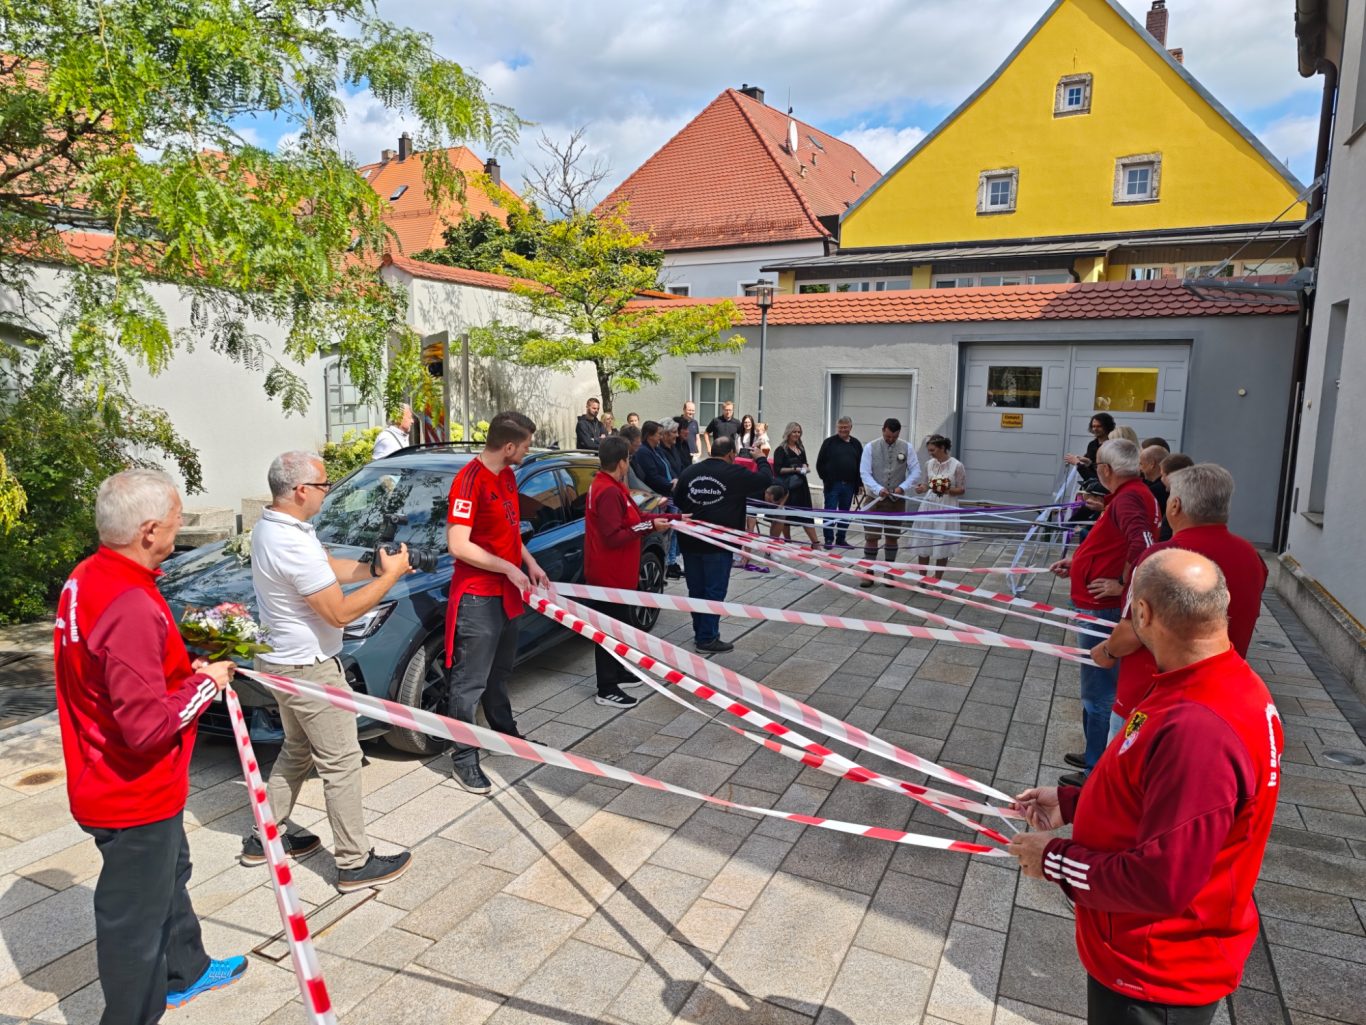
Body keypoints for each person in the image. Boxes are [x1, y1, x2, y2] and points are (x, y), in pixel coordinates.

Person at [1010, 549, 1283, 1025]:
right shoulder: (1206, 682)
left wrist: (1053, 859)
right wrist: (1076, 802)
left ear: (1142, 612)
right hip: (1143, 954)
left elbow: (1162, 881)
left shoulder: (1200, 727)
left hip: (1154, 974)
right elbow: (1159, 792)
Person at [54, 469, 246, 1021]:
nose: (180, 527)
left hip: (117, 777)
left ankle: (187, 969)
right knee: (133, 928)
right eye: (177, 519)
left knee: (171, 873)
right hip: (130, 790)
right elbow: (145, 728)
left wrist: (181, 664)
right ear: (148, 530)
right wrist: (206, 683)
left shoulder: (87, 577)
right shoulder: (128, 602)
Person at [250, 451, 415, 890]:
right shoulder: (288, 541)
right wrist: (390, 578)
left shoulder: (274, 526)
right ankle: (354, 863)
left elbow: (325, 568)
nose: (328, 490)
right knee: (341, 762)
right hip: (308, 669)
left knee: (297, 748)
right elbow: (338, 613)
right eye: (323, 484)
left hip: (281, 660)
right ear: (301, 490)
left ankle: (265, 835)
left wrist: (373, 567)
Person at [1092, 463, 1268, 743]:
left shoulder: (1160, 557)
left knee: (1124, 768)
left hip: (1147, 699)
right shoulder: (1251, 555)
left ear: (1175, 506)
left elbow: (1132, 632)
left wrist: (1107, 652)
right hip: (1216, 698)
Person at [445, 412, 550, 794]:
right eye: (525, 446)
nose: (527, 451)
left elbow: (509, 530)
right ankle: (463, 759)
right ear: (508, 447)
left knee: (500, 672)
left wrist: (529, 562)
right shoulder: (468, 481)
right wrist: (507, 567)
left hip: (507, 592)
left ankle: (505, 733)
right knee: (469, 682)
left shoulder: (507, 475)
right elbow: (458, 545)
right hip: (478, 596)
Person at [1049, 439, 1159, 786]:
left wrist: (1122, 584)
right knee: (1096, 686)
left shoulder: (1128, 498)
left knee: (1098, 690)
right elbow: (1118, 543)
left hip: (1103, 607)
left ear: (1106, 470)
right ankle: (1093, 752)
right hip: (1097, 602)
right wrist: (1079, 563)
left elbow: (1143, 545)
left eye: (1097, 465)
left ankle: (1095, 769)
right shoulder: (1129, 495)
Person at [584, 435, 674, 708]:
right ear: (622, 462)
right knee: (608, 630)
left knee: (621, 625)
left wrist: (671, 519)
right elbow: (614, 536)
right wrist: (650, 527)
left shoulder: (611, 485)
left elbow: (634, 517)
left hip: (619, 572)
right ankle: (606, 688)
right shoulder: (608, 491)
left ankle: (619, 671)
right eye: (628, 459)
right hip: (609, 573)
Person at [674, 436, 773, 652]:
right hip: (718, 543)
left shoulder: (690, 472)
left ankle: (701, 633)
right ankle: (707, 638)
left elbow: (678, 499)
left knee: (696, 589)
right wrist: (760, 458)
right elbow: (766, 479)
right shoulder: (734, 473)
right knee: (714, 590)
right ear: (731, 454)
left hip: (691, 540)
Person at [858, 417, 920, 588]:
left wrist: (903, 487)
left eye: (894, 437)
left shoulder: (907, 447)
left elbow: (916, 471)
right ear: (883, 430)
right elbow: (864, 472)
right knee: (871, 537)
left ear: (899, 433)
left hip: (896, 500)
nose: (891, 440)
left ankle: (889, 572)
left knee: (892, 537)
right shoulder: (870, 447)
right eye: (888, 437)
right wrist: (878, 489)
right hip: (874, 500)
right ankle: (869, 572)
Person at [913, 434, 967, 582]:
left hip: (946, 506)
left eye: (933, 450)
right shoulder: (929, 464)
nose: (930, 453)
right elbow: (926, 484)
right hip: (929, 505)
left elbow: (962, 489)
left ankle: (937, 579)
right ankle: (922, 578)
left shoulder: (957, 465)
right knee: (924, 540)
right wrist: (921, 488)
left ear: (942, 448)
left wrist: (946, 489)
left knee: (942, 541)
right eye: (929, 450)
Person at [815, 416, 863, 550]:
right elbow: (819, 464)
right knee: (830, 511)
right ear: (837, 428)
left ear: (851, 427)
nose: (843, 430)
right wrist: (826, 479)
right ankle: (828, 539)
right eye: (840, 427)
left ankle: (841, 539)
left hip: (849, 485)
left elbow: (861, 465)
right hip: (833, 485)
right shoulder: (829, 443)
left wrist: (859, 484)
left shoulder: (856, 444)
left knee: (844, 513)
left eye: (845, 427)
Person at [771, 421, 821, 547]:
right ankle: (787, 541)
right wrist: (795, 469)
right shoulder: (781, 450)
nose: (797, 434)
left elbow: (805, 462)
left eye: (799, 432)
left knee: (806, 515)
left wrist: (806, 467)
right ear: (788, 432)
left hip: (802, 487)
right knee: (785, 516)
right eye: (794, 432)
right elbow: (777, 470)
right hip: (788, 487)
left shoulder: (800, 448)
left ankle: (815, 543)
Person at [1064, 412, 1115, 486]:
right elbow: (1090, 470)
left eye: (1099, 426)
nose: (1095, 429)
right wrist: (1085, 461)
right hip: (1092, 484)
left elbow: (1105, 471)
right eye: (1093, 426)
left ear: (1107, 427)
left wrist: (1077, 463)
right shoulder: (1092, 445)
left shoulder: (1112, 446)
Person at [631, 420, 676, 497]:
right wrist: (670, 485)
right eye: (659, 434)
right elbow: (652, 476)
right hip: (658, 493)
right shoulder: (643, 451)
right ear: (650, 435)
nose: (661, 437)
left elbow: (668, 467)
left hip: (669, 489)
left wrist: (676, 480)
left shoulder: (657, 449)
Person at [1139, 445, 1172, 540]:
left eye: (1141, 464)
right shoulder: (1170, 486)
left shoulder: (1155, 491)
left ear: (1152, 464)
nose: (1139, 469)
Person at [618, 424, 648, 491]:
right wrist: (654, 495)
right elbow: (632, 485)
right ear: (628, 442)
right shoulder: (623, 459)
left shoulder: (633, 456)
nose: (640, 443)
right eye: (638, 440)